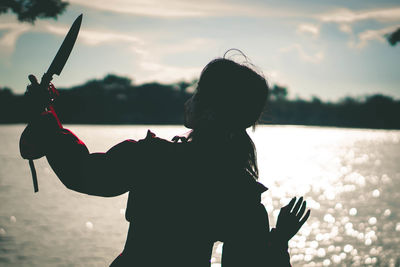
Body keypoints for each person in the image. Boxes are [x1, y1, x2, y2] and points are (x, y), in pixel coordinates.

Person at [20, 53, 310, 266]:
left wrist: (47, 120)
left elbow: (83, 173)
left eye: (199, 92)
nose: (191, 98)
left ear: (208, 111)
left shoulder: (151, 156)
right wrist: (279, 241)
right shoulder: (242, 192)